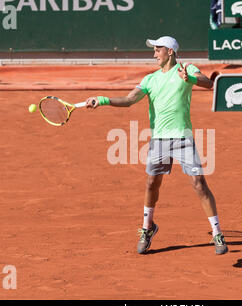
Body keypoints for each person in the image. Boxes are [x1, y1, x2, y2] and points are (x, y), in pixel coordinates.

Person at [85, 36, 228, 255]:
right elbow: (130, 99)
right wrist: (103, 100)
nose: (154, 54)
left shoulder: (186, 68)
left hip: (183, 137)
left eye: (157, 50)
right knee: (152, 183)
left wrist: (189, 78)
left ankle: (217, 233)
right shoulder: (150, 79)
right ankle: (147, 228)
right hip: (159, 139)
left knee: (199, 183)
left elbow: (208, 83)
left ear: (170, 51)